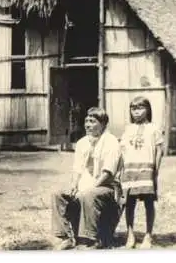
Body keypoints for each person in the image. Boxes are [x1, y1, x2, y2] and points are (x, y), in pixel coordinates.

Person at [51, 107, 122, 250]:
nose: (88, 125)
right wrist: (74, 185)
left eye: (92, 121)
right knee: (58, 193)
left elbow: (108, 173)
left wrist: (91, 187)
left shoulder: (111, 142)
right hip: (85, 186)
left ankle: (89, 238)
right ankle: (66, 237)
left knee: (87, 194)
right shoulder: (82, 143)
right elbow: (77, 169)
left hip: (107, 188)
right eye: (86, 121)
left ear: (102, 124)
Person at [120, 96, 164, 249]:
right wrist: (122, 169)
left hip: (147, 169)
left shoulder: (154, 128)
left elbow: (159, 150)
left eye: (140, 108)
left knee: (148, 202)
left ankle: (148, 235)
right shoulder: (127, 129)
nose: (136, 112)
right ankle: (130, 234)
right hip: (130, 170)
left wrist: (156, 170)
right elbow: (123, 150)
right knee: (129, 203)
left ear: (148, 109)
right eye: (133, 108)